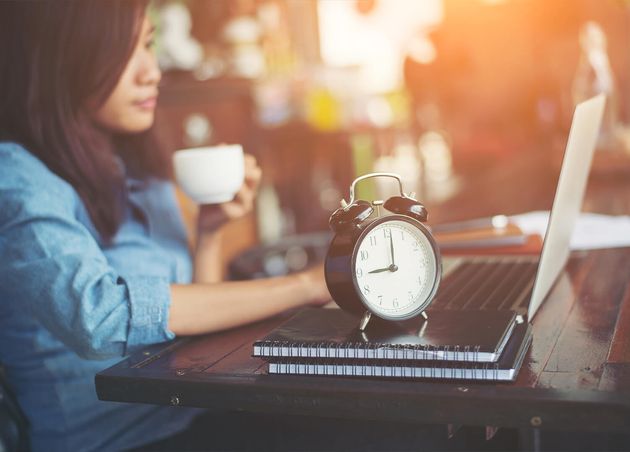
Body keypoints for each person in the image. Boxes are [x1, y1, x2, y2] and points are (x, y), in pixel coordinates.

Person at [0, 1, 330, 451]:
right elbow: (100, 316)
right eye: (122, 52)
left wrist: (209, 235)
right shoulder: (17, 177)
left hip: (194, 418)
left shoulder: (131, 163)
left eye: (149, 45)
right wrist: (306, 286)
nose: (150, 72)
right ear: (61, 60)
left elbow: (192, 348)